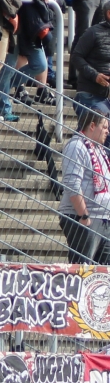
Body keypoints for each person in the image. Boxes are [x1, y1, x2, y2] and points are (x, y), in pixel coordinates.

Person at [62, 108, 110, 265]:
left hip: (104, 219)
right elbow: (72, 183)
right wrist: (84, 216)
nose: (107, 131)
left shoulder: (99, 149)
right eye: (104, 127)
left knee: (104, 272)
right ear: (92, 126)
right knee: (83, 269)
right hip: (85, 218)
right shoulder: (76, 146)